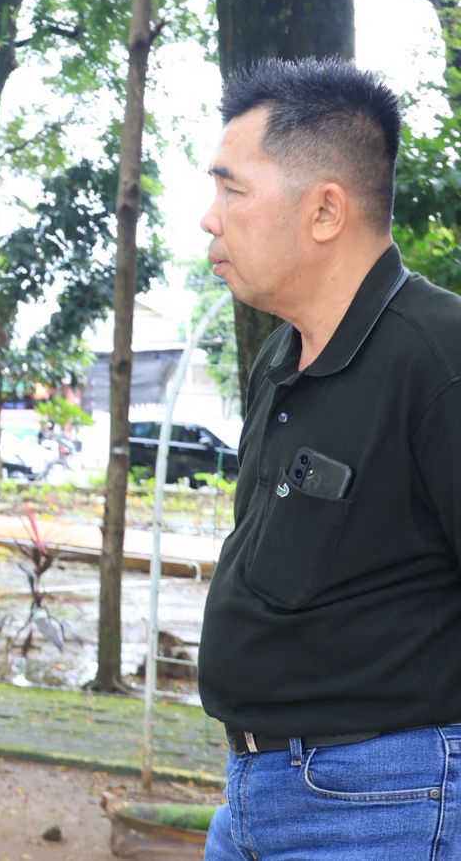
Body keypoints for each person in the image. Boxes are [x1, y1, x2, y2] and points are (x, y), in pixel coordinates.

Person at [197, 57, 461, 860]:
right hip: (255, 792)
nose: (209, 219)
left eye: (232, 191)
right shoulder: (281, 357)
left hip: (384, 802)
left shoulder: (438, 356)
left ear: (324, 210)